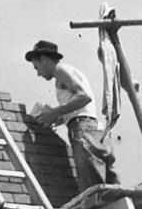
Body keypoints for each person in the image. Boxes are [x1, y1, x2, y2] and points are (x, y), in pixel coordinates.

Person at [27, 40, 119, 192]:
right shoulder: (67, 72)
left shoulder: (61, 70)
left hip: (82, 128)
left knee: (91, 187)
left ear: (44, 59)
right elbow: (80, 107)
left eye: (37, 67)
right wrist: (57, 118)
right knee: (109, 186)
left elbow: (84, 97)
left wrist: (54, 112)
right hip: (92, 126)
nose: (38, 73)